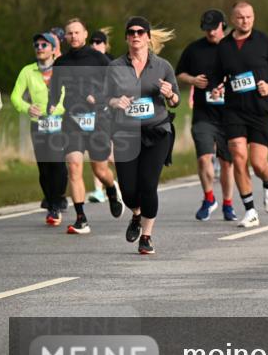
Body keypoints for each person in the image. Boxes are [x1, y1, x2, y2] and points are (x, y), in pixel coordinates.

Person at [104, 18, 179, 254]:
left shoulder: (163, 66)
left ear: (148, 37)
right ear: (127, 38)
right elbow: (105, 98)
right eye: (131, 32)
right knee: (128, 190)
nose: (136, 36)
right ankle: (136, 215)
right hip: (126, 133)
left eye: (140, 32)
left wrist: (169, 95)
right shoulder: (115, 67)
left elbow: (176, 99)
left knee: (148, 185)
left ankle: (146, 236)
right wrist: (116, 101)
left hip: (157, 132)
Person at [48, 17, 124, 234]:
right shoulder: (60, 63)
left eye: (77, 32)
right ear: (66, 37)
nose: (73, 36)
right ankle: (81, 218)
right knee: (73, 165)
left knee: (100, 170)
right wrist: (52, 104)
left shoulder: (99, 59)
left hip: (98, 119)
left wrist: (98, 97)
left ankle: (111, 188)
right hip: (72, 121)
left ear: (84, 34)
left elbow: (114, 86)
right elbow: (55, 90)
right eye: (69, 33)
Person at [209, 1, 268, 227]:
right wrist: (217, 86)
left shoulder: (264, 42)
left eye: (249, 17)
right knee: (238, 156)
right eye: (240, 17)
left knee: (258, 164)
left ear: (254, 17)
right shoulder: (224, 46)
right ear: (232, 20)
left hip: (260, 109)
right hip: (234, 111)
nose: (245, 21)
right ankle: (250, 210)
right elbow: (217, 75)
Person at [176, 9, 236, 221]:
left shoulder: (232, 46)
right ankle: (209, 198)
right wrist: (192, 80)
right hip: (203, 115)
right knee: (203, 159)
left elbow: (245, 72)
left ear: (223, 26)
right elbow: (179, 73)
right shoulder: (194, 49)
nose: (210, 33)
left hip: (230, 115)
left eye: (214, 28)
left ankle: (228, 204)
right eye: (206, 29)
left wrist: (228, 85)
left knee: (227, 163)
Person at [11, 32, 69, 225]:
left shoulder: (63, 70)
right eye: (36, 45)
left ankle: (56, 202)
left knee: (58, 165)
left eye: (44, 45)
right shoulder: (27, 71)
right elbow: (15, 97)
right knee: (44, 169)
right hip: (39, 125)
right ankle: (52, 201)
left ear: (53, 49)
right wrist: (28, 108)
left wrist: (59, 109)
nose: (39, 48)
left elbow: (72, 94)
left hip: (60, 123)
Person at [86, 29, 115, 203]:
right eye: (92, 42)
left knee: (112, 154)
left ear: (105, 44)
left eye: (99, 42)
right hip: (94, 114)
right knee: (97, 153)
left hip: (112, 113)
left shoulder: (112, 62)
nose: (95, 45)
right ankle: (99, 190)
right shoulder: (87, 63)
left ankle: (125, 182)